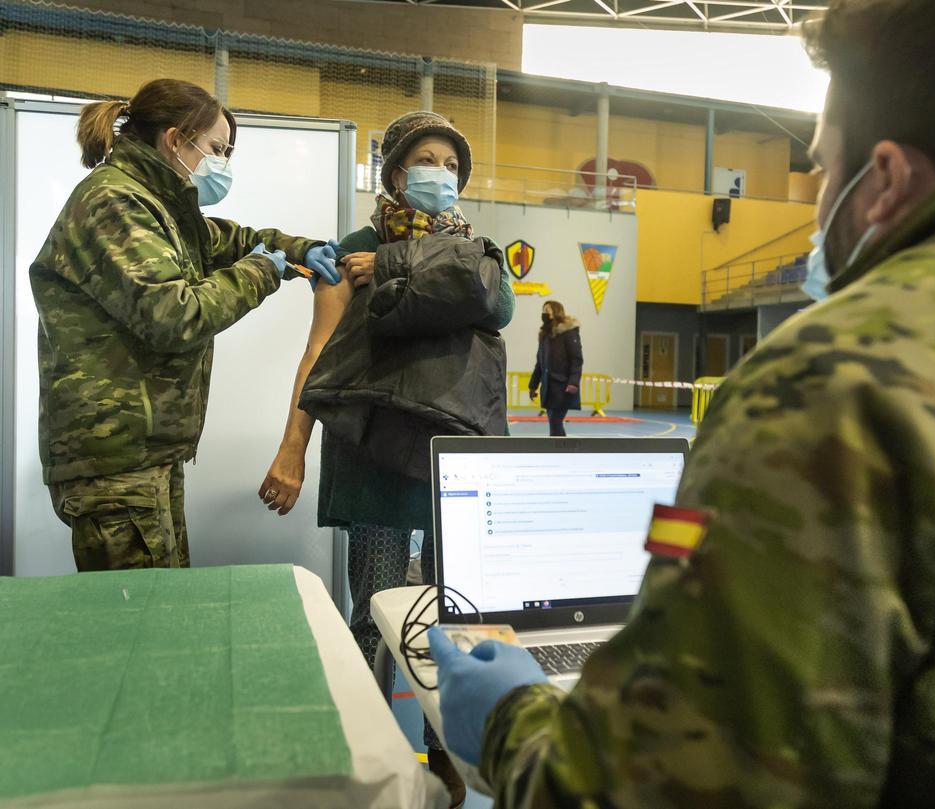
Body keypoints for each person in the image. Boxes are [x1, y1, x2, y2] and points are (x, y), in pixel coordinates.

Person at [425, 1, 935, 806]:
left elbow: (664, 790)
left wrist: (511, 718)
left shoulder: (842, 380)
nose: (820, 197)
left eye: (825, 166)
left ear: (885, 180)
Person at [258, 110, 513, 807]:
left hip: (448, 457)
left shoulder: (472, 250)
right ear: (397, 172)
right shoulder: (355, 250)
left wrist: (406, 267)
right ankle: (364, 751)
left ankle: (443, 750)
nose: (442, 174)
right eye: (427, 160)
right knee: (373, 611)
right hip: (371, 451)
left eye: (453, 165)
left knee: (452, 615)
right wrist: (291, 447)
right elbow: (319, 350)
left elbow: (501, 308)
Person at [30, 78, 340, 573]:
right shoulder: (115, 203)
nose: (222, 164)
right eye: (216, 149)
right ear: (175, 140)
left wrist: (300, 249)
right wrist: (262, 271)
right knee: (139, 613)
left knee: (166, 602)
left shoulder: (160, 208)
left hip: (143, 454)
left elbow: (230, 240)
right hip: (116, 462)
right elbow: (175, 316)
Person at [528, 301, 583, 436]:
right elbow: (540, 364)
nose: (544, 314)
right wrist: (533, 386)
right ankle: (560, 447)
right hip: (548, 388)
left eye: (547, 310)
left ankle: (557, 448)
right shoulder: (544, 336)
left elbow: (576, 360)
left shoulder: (569, 333)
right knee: (554, 422)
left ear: (556, 312)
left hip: (563, 387)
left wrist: (573, 382)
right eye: (543, 310)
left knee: (555, 421)